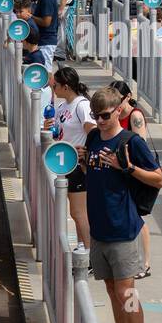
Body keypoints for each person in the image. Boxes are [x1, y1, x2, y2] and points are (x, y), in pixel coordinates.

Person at [81, 87, 162, 323]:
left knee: (127, 295)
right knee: (112, 292)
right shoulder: (93, 138)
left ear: (119, 110)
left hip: (123, 230)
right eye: (96, 116)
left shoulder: (130, 142)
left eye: (105, 115)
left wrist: (127, 167)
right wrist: (81, 158)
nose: (100, 121)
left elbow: (158, 178)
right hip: (99, 230)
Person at [111, 80, 153, 278]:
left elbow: (141, 146)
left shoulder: (135, 116)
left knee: (137, 217)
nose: (115, 104)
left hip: (134, 171)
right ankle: (131, 259)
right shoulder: (115, 114)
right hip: (120, 170)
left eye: (118, 100)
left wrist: (131, 168)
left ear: (127, 97)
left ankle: (145, 263)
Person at [51, 66, 95, 250]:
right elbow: (60, 134)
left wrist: (87, 151)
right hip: (65, 165)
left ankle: (89, 253)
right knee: (75, 212)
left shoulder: (82, 105)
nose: (53, 89)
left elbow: (93, 132)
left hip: (78, 166)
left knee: (79, 212)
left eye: (55, 86)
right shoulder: (62, 106)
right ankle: (81, 246)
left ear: (66, 87)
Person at [31, 0, 60, 70]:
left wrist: (31, 16)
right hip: (45, 39)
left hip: (47, 40)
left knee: (46, 70)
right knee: (45, 69)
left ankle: (50, 85)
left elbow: (46, 22)